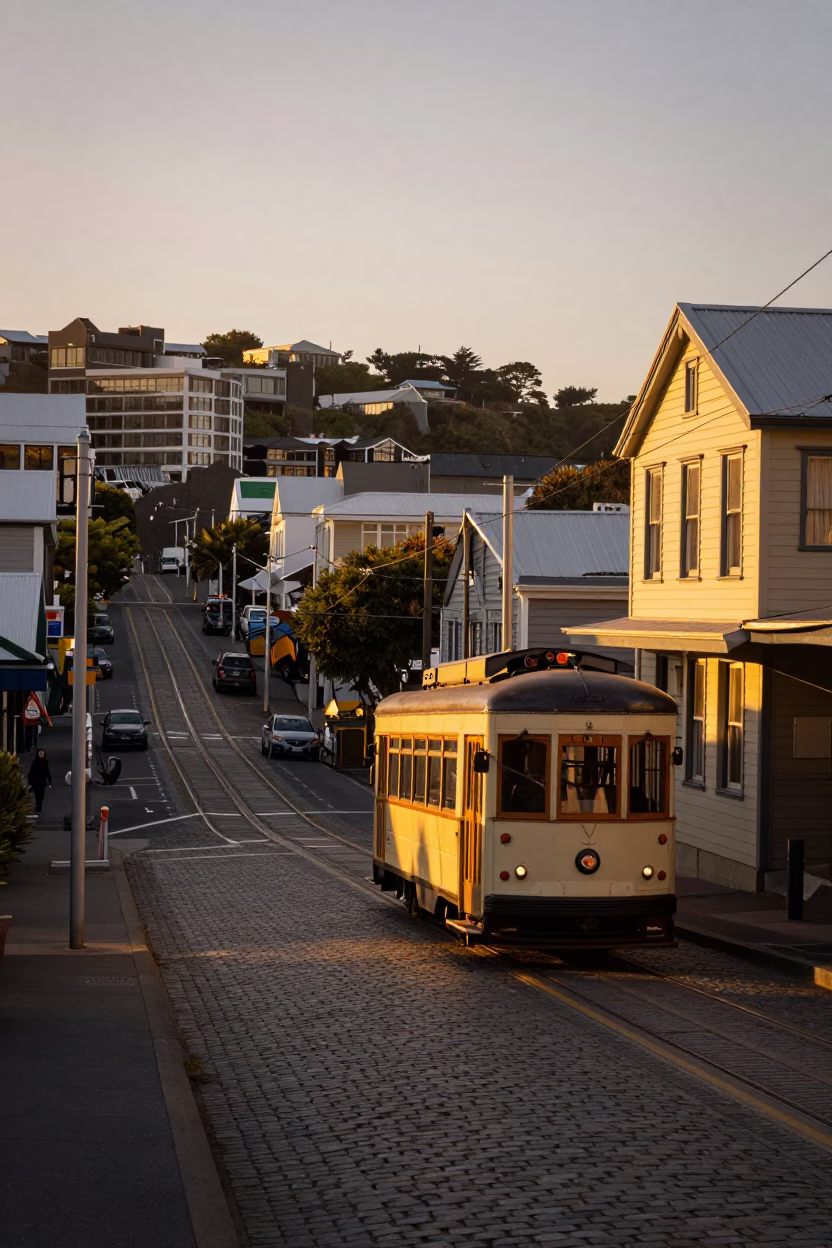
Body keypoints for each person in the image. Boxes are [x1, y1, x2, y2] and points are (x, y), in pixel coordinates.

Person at [27, 747, 52, 814]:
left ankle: (39, 808)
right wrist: (30, 783)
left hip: (42, 782)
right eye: (40, 753)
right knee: (38, 795)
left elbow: (47, 772)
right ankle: (38, 808)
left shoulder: (45, 762)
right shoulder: (35, 762)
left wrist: (49, 780)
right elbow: (31, 773)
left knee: (41, 796)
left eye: (42, 753)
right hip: (35, 782)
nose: (41, 754)